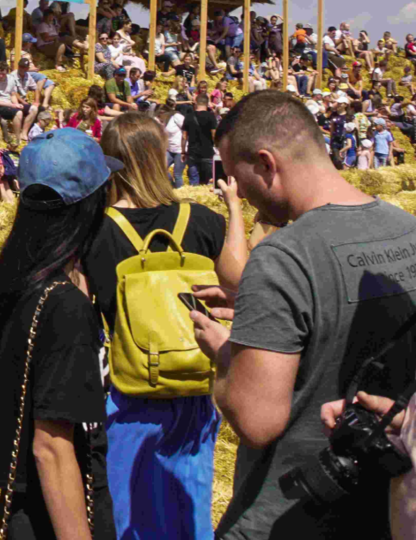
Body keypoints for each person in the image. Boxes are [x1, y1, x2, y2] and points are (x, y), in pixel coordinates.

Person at [190, 91, 416, 538]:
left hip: (290, 514)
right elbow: (341, 315)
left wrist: (224, 350)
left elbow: (257, 419)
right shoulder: (406, 229)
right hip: (383, 509)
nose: (246, 197)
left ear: (266, 164)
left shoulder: (283, 256)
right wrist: (257, 314)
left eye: (237, 177)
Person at [0, 126, 118, 539]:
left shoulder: (17, 281)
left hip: (25, 510)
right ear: (91, 205)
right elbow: (51, 448)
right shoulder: (65, 308)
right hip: (58, 515)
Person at [83, 113, 229, 539]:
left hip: (132, 386)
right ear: (160, 156)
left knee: (130, 511)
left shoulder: (94, 229)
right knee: (189, 505)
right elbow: (241, 291)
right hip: (194, 383)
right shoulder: (202, 220)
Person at [183, 93, 218, 186]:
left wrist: (183, 151)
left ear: (196, 103)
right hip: (207, 153)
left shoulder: (189, 116)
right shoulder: (211, 116)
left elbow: (184, 137)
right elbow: (214, 135)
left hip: (192, 153)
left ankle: (193, 199)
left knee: (193, 180)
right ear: (207, 104)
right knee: (209, 181)